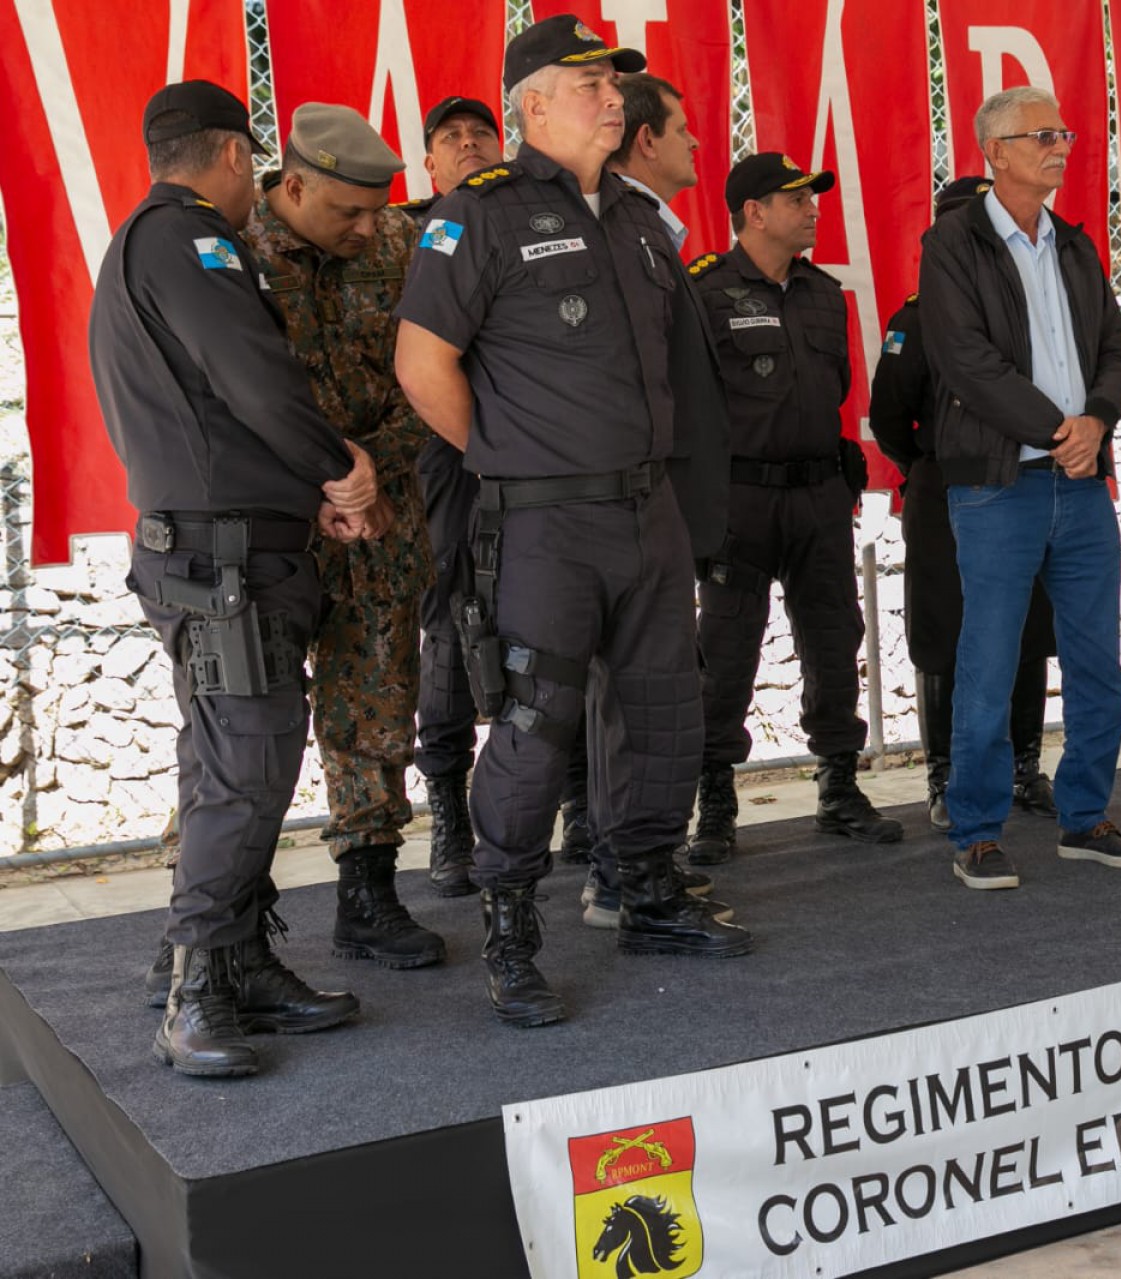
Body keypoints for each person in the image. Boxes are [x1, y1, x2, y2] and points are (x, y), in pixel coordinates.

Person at [395, 15, 748, 1029]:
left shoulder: (639, 222)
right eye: (588, 85)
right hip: (546, 524)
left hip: (648, 511)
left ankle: (646, 890)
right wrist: (509, 452)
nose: (612, 99)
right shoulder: (479, 214)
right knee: (537, 718)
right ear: (532, 107)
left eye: (615, 85)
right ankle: (510, 925)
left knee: (665, 708)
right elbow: (423, 367)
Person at [92, 81, 378, 1076]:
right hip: (222, 563)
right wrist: (338, 465)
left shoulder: (153, 242)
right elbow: (256, 381)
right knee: (248, 760)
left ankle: (239, 959)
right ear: (227, 157)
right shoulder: (192, 241)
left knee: (228, 761)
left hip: (229, 548)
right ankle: (197, 985)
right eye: (250, 167)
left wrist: (304, 494)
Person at [918, 86, 1121, 890]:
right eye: (1041, 134)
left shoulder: (1078, 245)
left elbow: (1116, 351)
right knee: (987, 661)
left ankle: (1085, 816)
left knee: (1097, 660)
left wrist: (1095, 421)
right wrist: (1064, 428)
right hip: (999, 484)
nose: (1061, 144)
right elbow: (965, 360)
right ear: (997, 152)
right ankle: (978, 830)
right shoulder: (952, 243)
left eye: (1065, 129)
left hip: (1081, 484)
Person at [237, 104, 445, 971]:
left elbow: (437, 371)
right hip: (273, 521)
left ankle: (369, 891)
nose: (371, 228)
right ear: (292, 185)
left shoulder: (400, 245)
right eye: (349, 212)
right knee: (248, 720)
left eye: (377, 209)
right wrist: (321, 481)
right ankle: (225, 916)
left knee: (377, 699)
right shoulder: (228, 252)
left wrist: (371, 466)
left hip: (385, 513)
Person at [682, 151, 902, 865]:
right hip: (740, 499)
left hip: (817, 494)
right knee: (725, 653)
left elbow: (836, 385)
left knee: (836, 639)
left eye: (812, 197)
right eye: (796, 198)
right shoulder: (706, 292)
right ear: (754, 212)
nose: (811, 208)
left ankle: (839, 787)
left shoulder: (822, 292)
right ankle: (715, 801)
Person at [568, 70, 732, 929]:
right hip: (628, 502)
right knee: (632, 699)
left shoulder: (648, 229)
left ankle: (631, 868)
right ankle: (621, 872)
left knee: (649, 698)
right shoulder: (613, 229)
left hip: (665, 502)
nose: (699, 143)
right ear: (646, 142)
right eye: (683, 128)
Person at [869, 175, 1057, 831]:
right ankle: (946, 775)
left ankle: (1024, 765)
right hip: (946, 491)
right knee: (946, 634)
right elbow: (888, 418)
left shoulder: (1039, 313)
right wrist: (932, 468)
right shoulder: (916, 321)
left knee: (1030, 625)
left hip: (1024, 484)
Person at [401, 95, 503, 898]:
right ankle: (448, 814)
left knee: (551, 616)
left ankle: (563, 799)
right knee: (449, 623)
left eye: (481, 135)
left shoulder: (531, 218)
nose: (468, 146)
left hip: (538, 457)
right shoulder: (402, 236)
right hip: (442, 460)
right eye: (451, 140)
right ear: (428, 164)